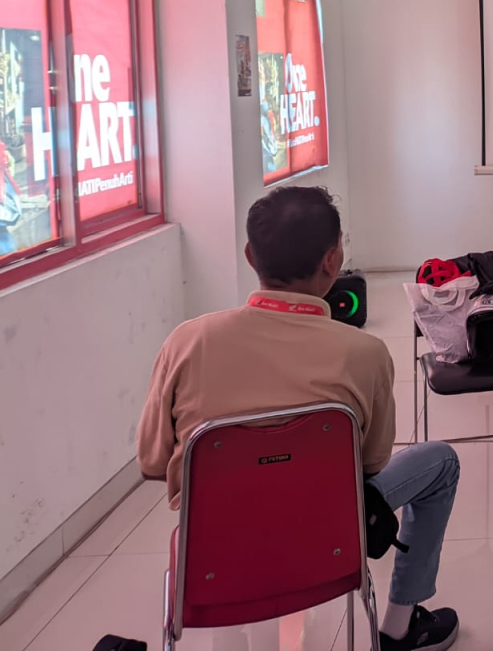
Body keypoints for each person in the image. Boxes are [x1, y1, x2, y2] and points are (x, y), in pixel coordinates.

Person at [136, 187, 461, 651]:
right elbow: (370, 466)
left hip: (215, 555)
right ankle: (397, 628)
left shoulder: (187, 342)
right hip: (327, 549)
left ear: (250, 256)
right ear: (332, 260)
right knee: (440, 462)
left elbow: (151, 462)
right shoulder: (364, 353)